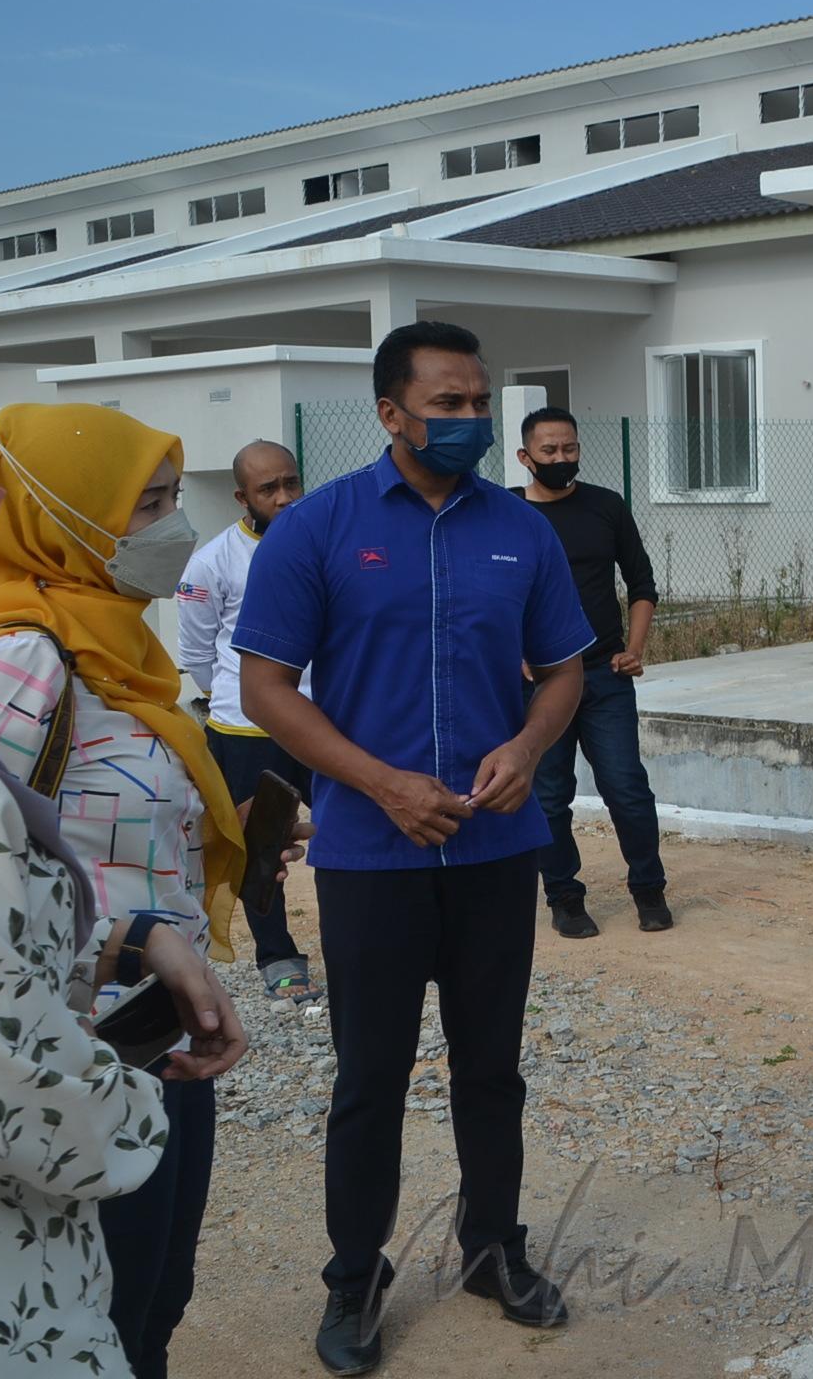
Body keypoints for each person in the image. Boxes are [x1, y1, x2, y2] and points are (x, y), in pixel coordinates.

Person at [233, 320, 594, 1375]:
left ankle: (492, 1249)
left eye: (479, 402)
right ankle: (355, 1278)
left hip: (494, 851)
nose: (469, 419)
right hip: (370, 856)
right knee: (370, 1080)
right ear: (391, 413)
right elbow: (265, 688)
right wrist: (382, 784)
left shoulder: (520, 530)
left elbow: (564, 669)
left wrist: (527, 746)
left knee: (492, 1071)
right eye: (447, 404)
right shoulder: (319, 528)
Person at [0, 323, 250, 1379]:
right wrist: (111, 1103)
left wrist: (144, 925)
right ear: (67, 517)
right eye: (148, 503)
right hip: (79, 1064)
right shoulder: (20, 661)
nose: (175, 525)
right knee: (127, 1306)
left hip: (137, 1010)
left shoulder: (121, 645)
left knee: (153, 1301)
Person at [512, 406, 671, 938]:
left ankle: (649, 889)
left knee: (627, 789)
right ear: (525, 456)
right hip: (539, 683)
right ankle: (564, 897)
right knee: (548, 797)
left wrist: (634, 648)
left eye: (570, 448)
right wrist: (511, 653)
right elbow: (484, 596)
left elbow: (642, 584)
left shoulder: (606, 506)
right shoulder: (508, 513)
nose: (561, 458)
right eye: (549, 451)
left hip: (604, 675)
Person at [180, 439, 324, 1005]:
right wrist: (243, 701)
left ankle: (359, 940)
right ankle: (278, 955)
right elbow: (198, 654)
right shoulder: (211, 562)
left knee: (349, 832)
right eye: (269, 489)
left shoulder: (325, 544)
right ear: (243, 497)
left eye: (291, 483)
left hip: (325, 723)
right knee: (261, 848)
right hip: (246, 730)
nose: (284, 497)